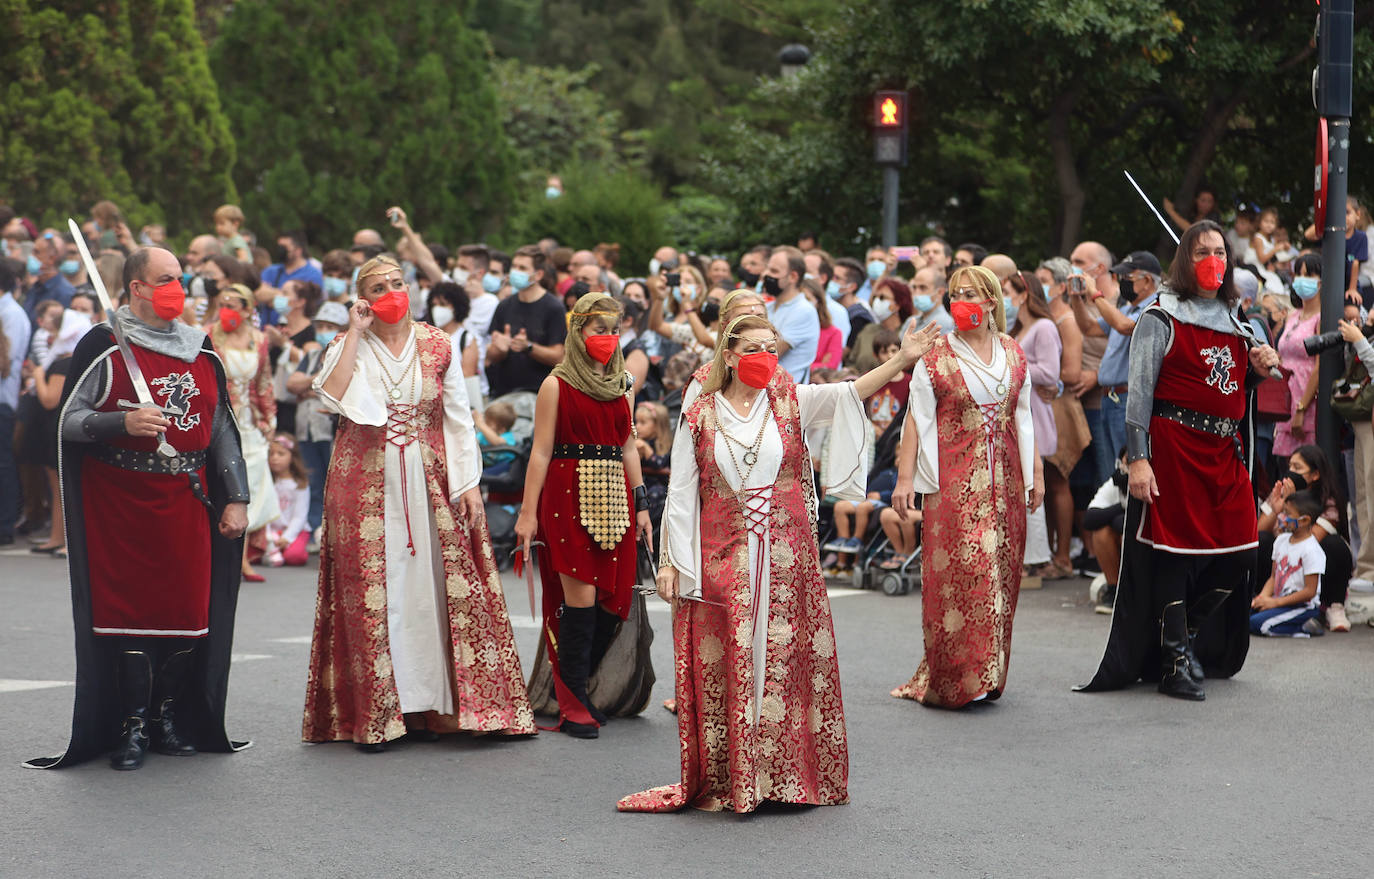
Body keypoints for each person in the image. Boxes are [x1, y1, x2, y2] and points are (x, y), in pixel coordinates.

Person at [619, 315, 942, 814]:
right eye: (753, 348)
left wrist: (901, 359)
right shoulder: (700, 409)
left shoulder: (787, 398)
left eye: (771, 347)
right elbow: (683, 489)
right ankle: (734, 778)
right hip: (723, 554)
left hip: (786, 556)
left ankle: (781, 777)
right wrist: (672, 563)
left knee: (782, 665)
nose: (765, 356)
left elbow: (846, 393)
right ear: (728, 355)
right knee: (735, 661)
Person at [25, 245, 251, 771]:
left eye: (180, 277)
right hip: (120, 503)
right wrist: (118, 423)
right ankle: (129, 726)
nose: (178, 286)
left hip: (187, 498)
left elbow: (220, 429)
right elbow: (69, 423)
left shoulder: (200, 348)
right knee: (129, 617)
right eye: (166, 278)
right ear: (137, 289)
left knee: (185, 616)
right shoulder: (104, 346)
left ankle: (165, 718)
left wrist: (236, 496)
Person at [304, 256, 534, 750]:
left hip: (428, 477)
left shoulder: (437, 343)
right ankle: (383, 710)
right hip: (363, 483)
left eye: (397, 283)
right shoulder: (347, 346)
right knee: (377, 590)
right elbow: (332, 395)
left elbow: (456, 417)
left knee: (433, 586)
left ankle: (442, 705)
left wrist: (468, 482)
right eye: (377, 287)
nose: (391, 291)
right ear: (361, 298)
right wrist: (353, 331)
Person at [1079, 220, 1281, 701]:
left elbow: (1230, 391)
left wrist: (1253, 374)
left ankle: (1184, 641)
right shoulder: (1160, 316)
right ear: (1184, 261)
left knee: (1241, 551)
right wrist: (1140, 459)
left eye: (1220, 251)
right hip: (1173, 445)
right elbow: (1139, 395)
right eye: (1202, 251)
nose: (1213, 259)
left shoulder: (1238, 321)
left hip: (1222, 451)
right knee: (1173, 552)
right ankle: (1173, 661)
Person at [890, 265, 1043, 708]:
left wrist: (1034, 477)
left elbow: (1024, 416)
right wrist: (905, 480)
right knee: (965, 574)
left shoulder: (1013, 352)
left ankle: (989, 672)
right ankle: (954, 678)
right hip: (954, 485)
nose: (962, 301)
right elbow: (915, 421)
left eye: (972, 294)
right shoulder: (936, 355)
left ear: (992, 301)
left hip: (1008, 479)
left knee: (1002, 575)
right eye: (956, 294)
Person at [514, 293, 653, 739]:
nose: (608, 339)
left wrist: (643, 501)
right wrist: (526, 514)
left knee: (613, 603)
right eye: (599, 330)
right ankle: (573, 704)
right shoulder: (556, 384)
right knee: (579, 600)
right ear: (578, 332)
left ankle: (573, 689)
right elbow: (540, 452)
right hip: (566, 493)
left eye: (614, 330)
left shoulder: (623, 385)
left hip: (615, 495)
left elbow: (629, 445)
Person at [209, 283, 280, 582]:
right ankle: (220, 555)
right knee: (222, 483)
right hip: (221, 418)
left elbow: (263, 382)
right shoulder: (211, 335)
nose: (227, 310)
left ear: (249, 310)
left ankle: (243, 558)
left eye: (234, 305)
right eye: (223, 303)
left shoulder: (259, 339)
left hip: (249, 422)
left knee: (250, 484)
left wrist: (269, 419)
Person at [1257, 445, 1353, 632]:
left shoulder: (1327, 499)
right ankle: (1263, 598)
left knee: (1334, 545)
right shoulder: (1281, 491)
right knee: (1264, 539)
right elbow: (1258, 532)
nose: (1291, 472)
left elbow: (1308, 541)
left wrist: (1292, 504)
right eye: (1290, 466)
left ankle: (1334, 607)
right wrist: (1279, 507)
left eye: (1298, 468)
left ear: (1315, 474)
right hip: (1283, 572)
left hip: (1311, 574)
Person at [1007, 270, 1064, 577]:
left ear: (1024, 293)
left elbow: (1050, 372)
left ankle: (1038, 557)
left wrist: (1009, 367)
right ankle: (1026, 555)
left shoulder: (1043, 327)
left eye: (1008, 291)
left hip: (1033, 412)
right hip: (1018, 410)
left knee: (1032, 484)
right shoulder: (1019, 327)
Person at [28, 308, 93, 556]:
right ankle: (57, 537)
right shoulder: (67, 360)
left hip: (57, 426)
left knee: (63, 487)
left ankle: (67, 539)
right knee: (56, 487)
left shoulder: (64, 363)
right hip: (51, 427)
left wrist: (37, 375)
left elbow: (49, 399)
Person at [285, 301, 349, 544]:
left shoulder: (347, 354)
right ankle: (313, 528)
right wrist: (320, 381)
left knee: (334, 483)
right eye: (320, 326)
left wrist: (310, 388)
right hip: (307, 428)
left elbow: (341, 390)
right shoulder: (312, 356)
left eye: (329, 326)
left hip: (331, 429)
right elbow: (292, 384)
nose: (323, 330)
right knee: (312, 479)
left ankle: (334, 533)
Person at [485, 246, 567, 399]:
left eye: (522, 268)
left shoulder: (553, 308)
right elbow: (490, 356)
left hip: (538, 394)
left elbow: (558, 357)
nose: (515, 272)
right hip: (503, 393)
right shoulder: (504, 305)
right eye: (514, 266)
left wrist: (528, 347)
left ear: (538, 275)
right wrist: (499, 349)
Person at [1251, 491, 1325, 636]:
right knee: (1242, 615)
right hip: (1280, 602)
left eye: (1288, 514)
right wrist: (1262, 599)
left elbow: (1310, 592)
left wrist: (1274, 603)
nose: (1282, 517)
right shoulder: (1281, 541)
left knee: (1257, 625)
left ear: (1304, 520)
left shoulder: (1312, 550)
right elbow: (1273, 578)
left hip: (1303, 607)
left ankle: (1304, 626)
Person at [1273, 254, 1323, 460]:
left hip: (1307, 404)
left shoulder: (1323, 317)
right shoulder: (1293, 315)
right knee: (1284, 472)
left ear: (1321, 280)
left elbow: (1320, 367)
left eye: (1309, 274)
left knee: (1305, 468)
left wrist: (1301, 409)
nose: (1302, 279)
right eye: (1299, 274)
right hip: (1284, 402)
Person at [0, 258, 33, 546]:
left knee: (3, 462)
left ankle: (5, 523)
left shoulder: (10, 313)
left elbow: (5, 361)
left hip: (3, 400)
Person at [764, 246, 820, 382]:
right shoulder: (767, 307)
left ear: (793, 277)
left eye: (774, 271)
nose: (766, 274)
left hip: (788, 397)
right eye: (768, 268)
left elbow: (769, 353)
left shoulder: (804, 311)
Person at [848, 277, 914, 374]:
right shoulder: (868, 330)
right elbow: (851, 362)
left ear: (897, 305)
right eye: (875, 297)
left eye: (882, 298)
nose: (876, 302)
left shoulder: (907, 333)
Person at [264, 433, 311, 567]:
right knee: (252, 554)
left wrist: (287, 537)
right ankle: (275, 549)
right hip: (271, 533)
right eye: (271, 454)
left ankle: (289, 547)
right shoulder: (267, 482)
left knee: (295, 557)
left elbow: (300, 516)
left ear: (292, 457)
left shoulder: (300, 483)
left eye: (281, 454)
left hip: (295, 531)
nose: (274, 458)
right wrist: (268, 536)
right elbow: (264, 512)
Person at [805, 278, 842, 371]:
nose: (803, 303)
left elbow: (830, 366)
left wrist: (804, 367)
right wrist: (818, 365)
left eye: (807, 299)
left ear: (818, 302)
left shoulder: (833, 333)